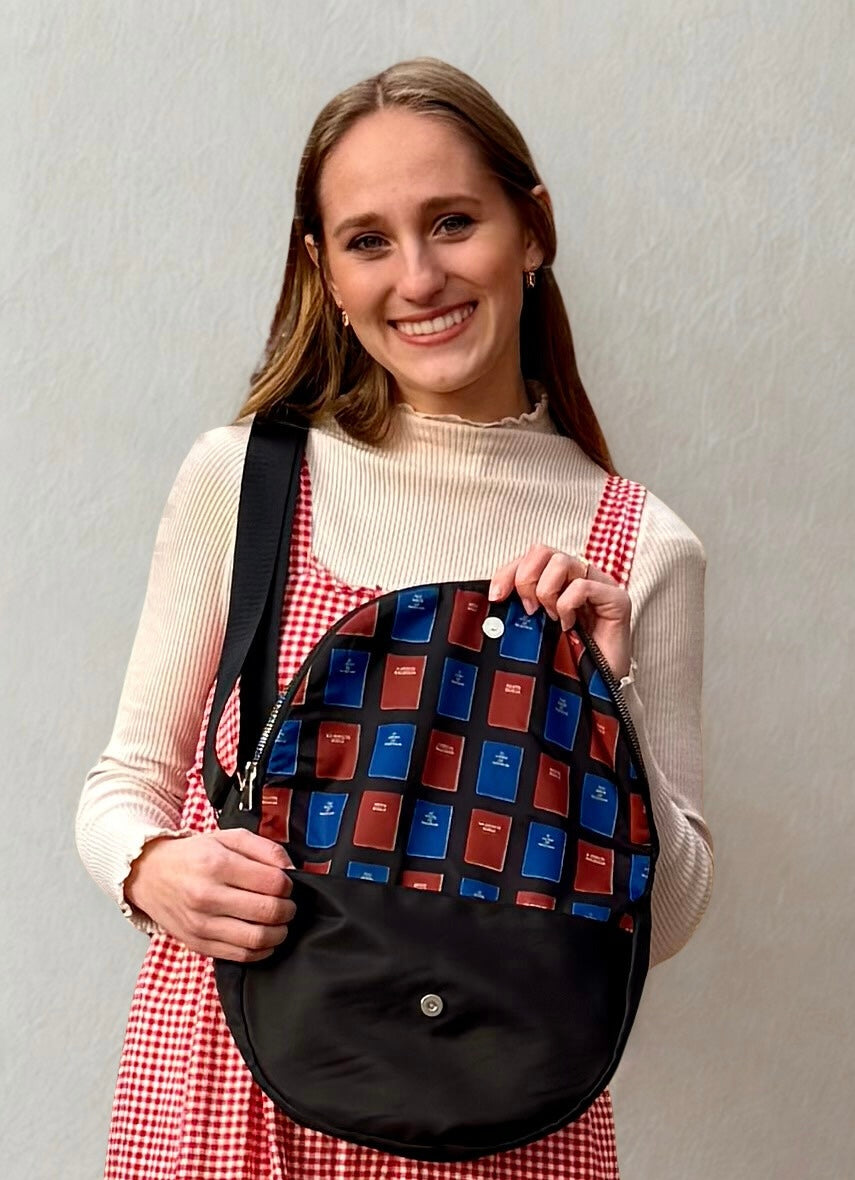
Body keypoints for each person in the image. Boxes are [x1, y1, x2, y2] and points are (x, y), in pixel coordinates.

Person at [76, 56, 714, 1180]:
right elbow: (128, 777)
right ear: (323, 272)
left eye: (453, 222)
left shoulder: (637, 543)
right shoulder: (247, 479)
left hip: (502, 1115)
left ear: (532, 229)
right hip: (231, 1092)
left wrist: (607, 696)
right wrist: (152, 868)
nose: (418, 277)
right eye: (368, 240)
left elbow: (660, 922)